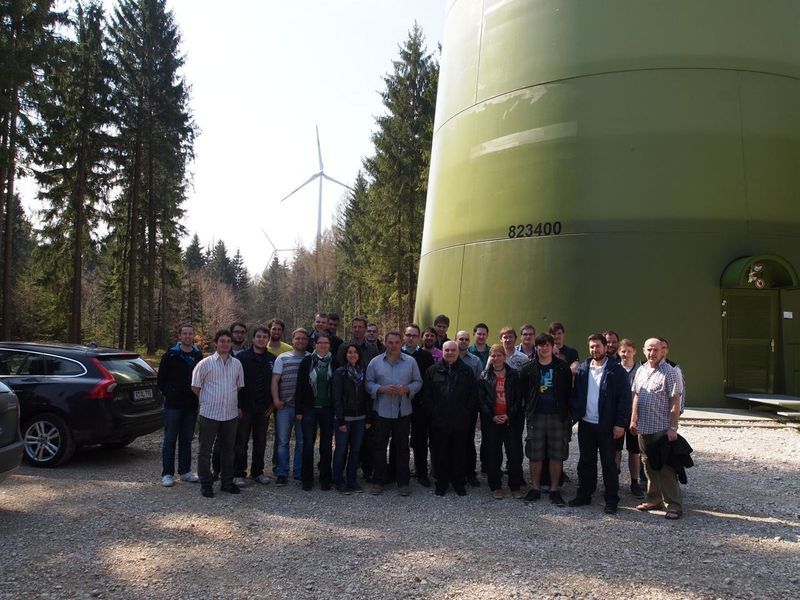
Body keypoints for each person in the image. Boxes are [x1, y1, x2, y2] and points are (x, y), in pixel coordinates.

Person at [569, 334, 632, 514]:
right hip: (586, 424)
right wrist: (575, 415)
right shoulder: (583, 369)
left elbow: (624, 399)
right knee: (586, 461)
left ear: (605, 347)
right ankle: (585, 494)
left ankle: (611, 499)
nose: (594, 350)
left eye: (597, 346)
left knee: (609, 463)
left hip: (607, 425)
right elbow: (576, 395)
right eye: (591, 347)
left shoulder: (616, 370)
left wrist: (620, 423)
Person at [631, 337, 684, 519]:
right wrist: (633, 419)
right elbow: (636, 395)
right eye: (649, 349)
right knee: (648, 464)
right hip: (643, 427)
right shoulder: (641, 370)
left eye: (655, 349)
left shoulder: (670, 372)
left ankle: (674, 504)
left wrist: (673, 428)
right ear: (643, 351)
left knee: (666, 467)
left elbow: (675, 401)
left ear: (663, 351)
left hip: (661, 428)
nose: (652, 353)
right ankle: (654, 499)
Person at [365, 331, 423, 496]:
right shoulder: (375, 362)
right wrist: (380, 389)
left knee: (402, 447)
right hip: (381, 411)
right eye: (390, 342)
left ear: (401, 343)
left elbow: (418, 382)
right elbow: (368, 383)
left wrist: (408, 389)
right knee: (379, 447)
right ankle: (379, 481)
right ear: (385, 343)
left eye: (397, 342)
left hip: (402, 411)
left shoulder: (410, 362)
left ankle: (403, 482)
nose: (393, 346)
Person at [519, 333, 572, 506]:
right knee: (535, 453)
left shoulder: (562, 367)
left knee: (557, 453)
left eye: (547, 345)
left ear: (552, 346)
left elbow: (568, 392)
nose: (544, 348)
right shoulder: (528, 368)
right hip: (536, 416)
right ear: (536, 347)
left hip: (557, 415)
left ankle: (554, 489)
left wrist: (567, 415)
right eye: (540, 345)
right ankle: (535, 488)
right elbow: (524, 393)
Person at [191, 329, 245, 498]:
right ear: (216, 343)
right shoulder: (204, 364)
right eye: (222, 341)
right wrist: (209, 400)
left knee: (228, 450)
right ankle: (206, 484)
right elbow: (195, 387)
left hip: (230, 414)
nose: (225, 344)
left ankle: (227, 482)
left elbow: (238, 386)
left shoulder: (237, 364)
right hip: (209, 414)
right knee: (205, 451)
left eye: (228, 341)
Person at [423, 341, 478, 496]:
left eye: (453, 350)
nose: (450, 353)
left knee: (460, 453)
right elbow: (426, 395)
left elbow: (473, 395)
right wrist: (434, 412)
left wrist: (466, 412)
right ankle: (441, 483)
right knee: (440, 453)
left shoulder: (466, 371)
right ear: (442, 351)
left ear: (458, 352)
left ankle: (459, 483)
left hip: (460, 421)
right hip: (439, 421)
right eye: (447, 350)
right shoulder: (432, 371)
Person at [157, 324, 202, 487]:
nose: (188, 336)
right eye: (185, 333)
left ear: (193, 336)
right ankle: (167, 473)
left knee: (186, 439)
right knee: (170, 439)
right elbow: (161, 380)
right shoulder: (170, 355)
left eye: (190, 334)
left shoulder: (198, 355)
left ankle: (185, 471)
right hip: (173, 405)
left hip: (191, 405)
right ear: (180, 336)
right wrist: (171, 392)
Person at [478, 344, 525, 499]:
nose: (496, 358)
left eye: (499, 355)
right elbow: (481, 400)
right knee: (493, 454)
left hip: (511, 420)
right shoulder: (484, 376)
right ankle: (495, 486)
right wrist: (492, 415)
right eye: (493, 355)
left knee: (514, 454)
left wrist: (509, 414)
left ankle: (515, 485)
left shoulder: (514, 375)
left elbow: (519, 398)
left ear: (505, 357)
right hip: (492, 421)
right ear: (490, 357)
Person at [232, 326, 275, 487]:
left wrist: (272, 404)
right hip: (245, 407)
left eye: (264, 337)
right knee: (241, 442)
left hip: (264, 408)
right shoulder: (241, 358)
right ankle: (239, 473)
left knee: (260, 441)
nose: (261, 339)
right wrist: (237, 405)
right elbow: (234, 383)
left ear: (268, 340)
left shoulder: (272, 359)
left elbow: (276, 383)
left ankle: (257, 472)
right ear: (253, 338)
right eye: (259, 336)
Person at [295, 333, 337, 491]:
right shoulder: (306, 362)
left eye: (326, 343)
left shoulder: (335, 362)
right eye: (320, 342)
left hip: (327, 409)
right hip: (309, 409)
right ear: (315, 344)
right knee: (308, 444)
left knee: (326, 446)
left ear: (329, 345)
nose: (323, 345)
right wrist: (299, 410)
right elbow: (299, 387)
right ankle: (307, 479)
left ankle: (325, 479)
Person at [271, 328, 309, 485]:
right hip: (285, 406)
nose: (300, 341)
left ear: (307, 341)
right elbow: (275, 380)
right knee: (282, 441)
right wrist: (276, 400)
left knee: (301, 442)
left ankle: (298, 472)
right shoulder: (282, 358)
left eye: (303, 339)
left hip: (304, 408)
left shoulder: (310, 358)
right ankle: (282, 472)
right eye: (297, 338)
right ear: (292, 340)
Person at [332, 343, 371, 493]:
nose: (352, 355)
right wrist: (340, 419)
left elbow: (367, 397)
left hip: (360, 418)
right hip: (345, 418)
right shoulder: (339, 373)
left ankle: (352, 480)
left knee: (355, 451)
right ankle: (338, 480)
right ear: (345, 355)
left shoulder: (364, 372)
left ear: (359, 355)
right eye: (349, 352)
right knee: (341, 450)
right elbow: (336, 397)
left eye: (355, 352)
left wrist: (368, 418)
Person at [403, 324, 435, 487]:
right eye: (408, 335)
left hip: (419, 404)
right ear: (404, 336)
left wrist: (426, 401)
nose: (411, 338)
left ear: (418, 338)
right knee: (398, 438)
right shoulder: (396, 352)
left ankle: (421, 472)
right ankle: (397, 471)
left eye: (414, 335)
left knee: (420, 439)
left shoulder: (425, 356)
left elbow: (429, 381)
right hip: (399, 402)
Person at [455, 330, 483, 487]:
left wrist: (473, 407)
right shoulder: (450, 357)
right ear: (456, 340)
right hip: (451, 408)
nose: (464, 341)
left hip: (468, 408)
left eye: (466, 339)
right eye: (461, 339)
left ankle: (470, 473)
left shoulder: (475, 361)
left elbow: (479, 385)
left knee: (468, 441)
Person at [616, 338, 644, 497]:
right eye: (623, 351)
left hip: (635, 416)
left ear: (634, 352)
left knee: (634, 451)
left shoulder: (640, 370)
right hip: (618, 416)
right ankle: (614, 480)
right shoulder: (614, 368)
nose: (625, 354)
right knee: (616, 450)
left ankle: (634, 482)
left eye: (628, 351)